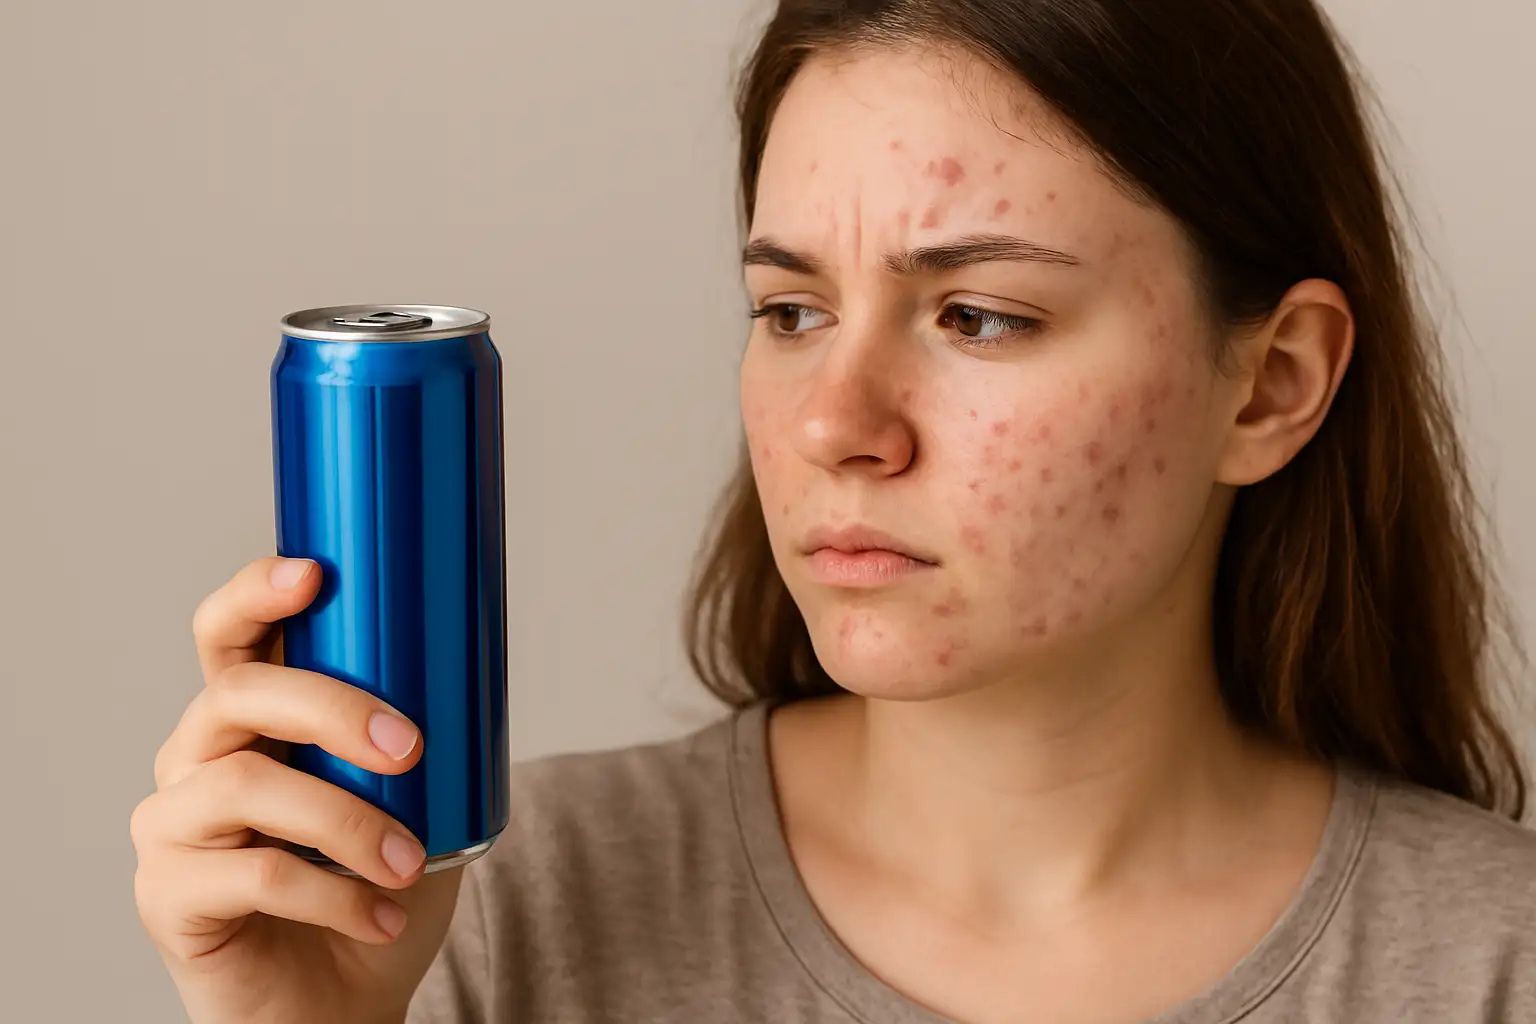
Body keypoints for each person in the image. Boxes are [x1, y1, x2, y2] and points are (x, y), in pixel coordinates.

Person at [130, 1, 1536, 1021]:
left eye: (979, 316)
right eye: (791, 311)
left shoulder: (1498, 963)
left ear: (1269, 386)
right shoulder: (497, 919)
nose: (829, 425)